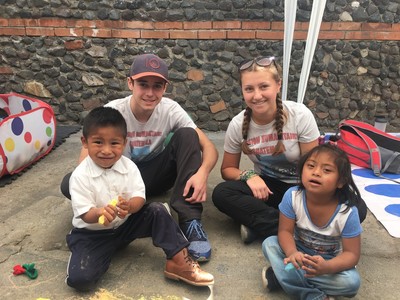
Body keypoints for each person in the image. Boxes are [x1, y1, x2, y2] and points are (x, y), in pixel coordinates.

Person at [61, 53, 218, 261]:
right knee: (69, 182)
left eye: (157, 86)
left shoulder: (170, 110)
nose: (150, 93)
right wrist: (98, 198)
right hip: (122, 180)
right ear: (130, 83)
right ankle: (146, 211)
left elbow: (209, 147)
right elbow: (86, 161)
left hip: (157, 175)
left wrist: (202, 173)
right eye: (143, 84)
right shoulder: (114, 112)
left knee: (188, 135)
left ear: (165, 88)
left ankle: (190, 220)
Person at [66, 106, 214, 291]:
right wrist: (99, 213)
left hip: (125, 226)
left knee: (157, 210)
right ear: (85, 142)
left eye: (114, 143)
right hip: (92, 235)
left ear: (124, 143)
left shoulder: (129, 167)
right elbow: (85, 214)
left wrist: (129, 207)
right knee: (81, 280)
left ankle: (178, 261)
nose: (106, 150)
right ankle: (94, 254)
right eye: (98, 142)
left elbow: (139, 197)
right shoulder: (80, 175)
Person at [212, 56, 322, 244]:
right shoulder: (237, 124)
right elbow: (227, 170)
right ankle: (304, 232)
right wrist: (249, 176)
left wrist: (300, 197)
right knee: (222, 194)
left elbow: (314, 166)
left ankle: (261, 227)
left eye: (264, 86)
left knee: (354, 206)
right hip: (267, 189)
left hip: (302, 185)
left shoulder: (300, 115)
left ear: (278, 85)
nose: (256, 96)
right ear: (242, 91)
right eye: (249, 89)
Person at [261, 143, 362, 299]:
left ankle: (281, 275)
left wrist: (326, 267)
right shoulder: (293, 196)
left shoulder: (347, 212)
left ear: (341, 182)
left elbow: (351, 254)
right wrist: (292, 253)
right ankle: (313, 295)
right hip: (297, 253)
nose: (316, 173)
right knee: (270, 244)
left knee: (351, 283)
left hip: (328, 261)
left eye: (327, 170)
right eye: (310, 166)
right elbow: (285, 232)